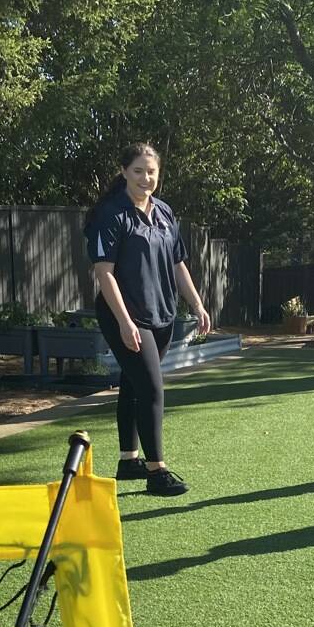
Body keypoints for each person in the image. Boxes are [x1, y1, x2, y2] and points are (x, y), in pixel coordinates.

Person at [83, 143, 212, 497]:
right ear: (124, 171)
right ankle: (157, 470)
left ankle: (129, 460)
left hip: (162, 314)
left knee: (133, 384)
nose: (145, 178)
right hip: (125, 315)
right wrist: (124, 321)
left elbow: (178, 263)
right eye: (138, 171)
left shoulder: (164, 213)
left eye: (151, 171)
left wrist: (197, 304)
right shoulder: (110, 214)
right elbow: (104, 273)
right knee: (152, 389)